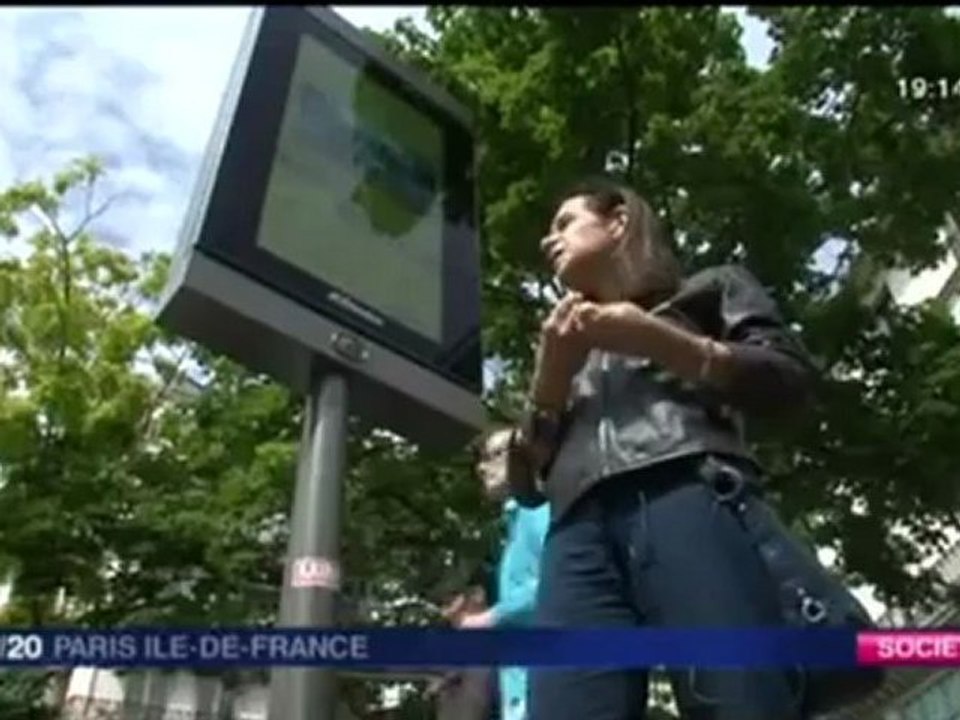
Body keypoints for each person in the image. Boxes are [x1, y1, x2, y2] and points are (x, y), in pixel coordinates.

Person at [504, 177, 822, 720]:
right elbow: (522, 486)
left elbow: (790, 383)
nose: (546, 241)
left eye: (564, 223)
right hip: (575, 533)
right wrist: (549, 381)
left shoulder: (710, 288)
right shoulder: (563, 341)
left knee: (739, 695)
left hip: (688, 490)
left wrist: (662, 341)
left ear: (619, 221)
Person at [450, 427, 551, 720]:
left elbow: (556, 583)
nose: (482, 468)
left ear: (526, 457)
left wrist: (488, 618)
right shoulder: (516, 524)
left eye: (494, 456)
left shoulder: (538, 511)